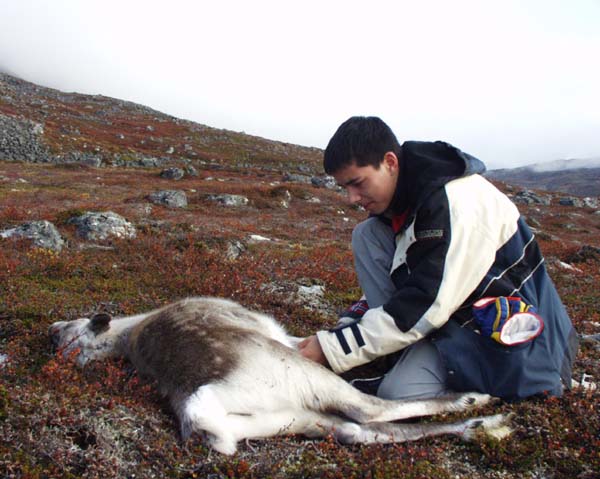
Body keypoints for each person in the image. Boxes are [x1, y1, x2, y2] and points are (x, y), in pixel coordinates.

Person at [298, 116, 578, 401]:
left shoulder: (454, 204)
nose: (352, 198)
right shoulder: (410, 195)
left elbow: (426, 302)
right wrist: (356, 331)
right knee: (367, 234)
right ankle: (396, 347)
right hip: (454, 309)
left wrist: (333, 348)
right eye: (344, 187)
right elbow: (418, 280)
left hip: (509, 334)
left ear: (390, 162)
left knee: (399, 393)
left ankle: (429, 367)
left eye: (357, 183)